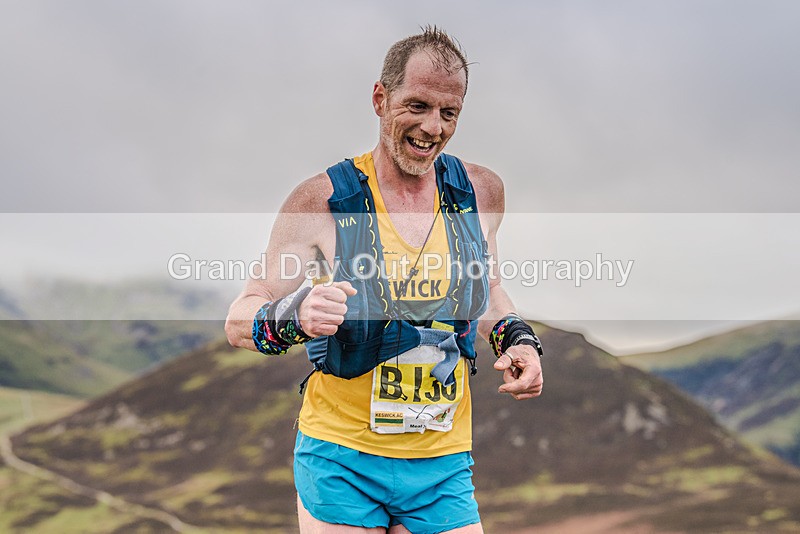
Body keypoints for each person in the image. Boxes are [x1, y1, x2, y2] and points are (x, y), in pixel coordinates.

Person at [225, 26, 544, 534]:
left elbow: (485, 292)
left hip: (442, 461)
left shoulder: (480, 193)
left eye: (449, 113)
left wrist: (518, 340)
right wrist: (296, 317)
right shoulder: (323, 201)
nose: (431, 128)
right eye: (416, 106)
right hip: (342, 458)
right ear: (381, 98)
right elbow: (242, 316)